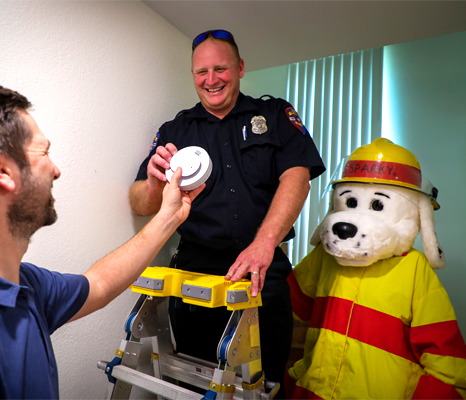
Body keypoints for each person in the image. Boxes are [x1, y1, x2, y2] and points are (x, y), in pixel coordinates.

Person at [0, 80, 204, 400]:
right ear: (0, 168)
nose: (56, 170)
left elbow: (99, 284)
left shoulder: (19, 284)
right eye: (43, 152)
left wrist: (169, 216)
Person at [129, 30, 325, 396]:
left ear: (240, 69)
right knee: (193, 383)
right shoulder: (176, 129)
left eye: (221, 68)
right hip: (194, 276)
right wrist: (155, 184)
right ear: (192, 75)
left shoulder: (275, 114)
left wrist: (264, 243)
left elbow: (297, 178)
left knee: (264, 385)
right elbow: (139, 203)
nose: (211, 79)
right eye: (202, 72)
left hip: (263, 272)